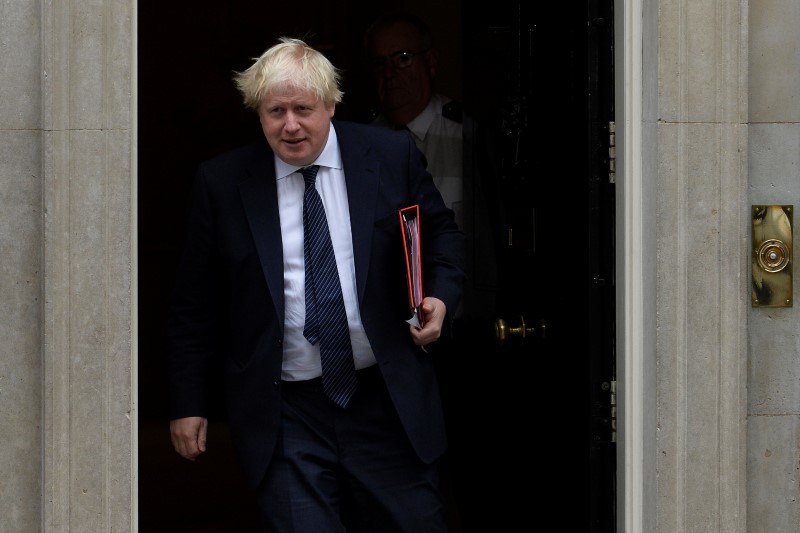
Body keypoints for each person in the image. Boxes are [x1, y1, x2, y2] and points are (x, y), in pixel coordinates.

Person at [167, 36, 465, 532]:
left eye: (303, 108)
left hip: (385, 400)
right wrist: (188, 403)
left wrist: (440, 298)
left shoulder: (388, 155)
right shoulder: (222, 183)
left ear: (331, 103)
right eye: (275, 111)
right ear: (257, 113)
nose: (290, 125)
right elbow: (195, 304)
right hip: (286, 412)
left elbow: (443, 238)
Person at [364, 12, 463, 229]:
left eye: (403, 58)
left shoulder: (465, 135)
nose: (389, 73)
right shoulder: (363, 141)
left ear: (431, 61)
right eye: (380, 64)